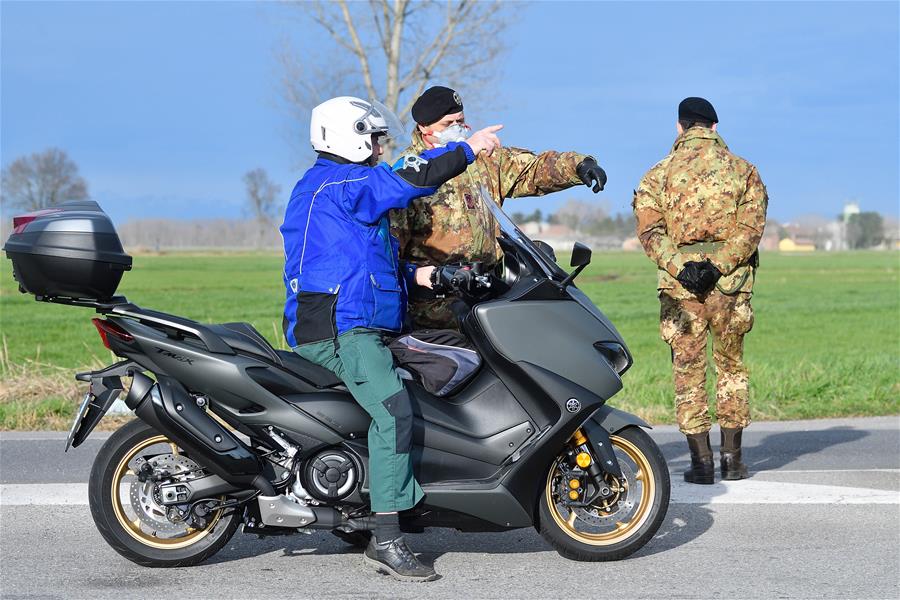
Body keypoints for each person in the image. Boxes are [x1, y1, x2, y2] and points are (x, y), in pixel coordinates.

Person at [280, 96, 502, 581]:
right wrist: (468, 150)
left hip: (352, 319)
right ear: (350, 135)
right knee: (392, 411)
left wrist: (422, 276)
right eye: (376, 137)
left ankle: (375, 502)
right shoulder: (344, 183)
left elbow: (360, 262)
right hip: (342, 329)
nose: (382, 146)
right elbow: (407, 179)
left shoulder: (337, 187)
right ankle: (387, 538)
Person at [390, 85, 608, 330]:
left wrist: (579, 166)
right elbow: (390, 250)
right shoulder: (409, 174)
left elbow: (532, 169)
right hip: (435, 310)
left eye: (460, 121)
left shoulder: (482, 159)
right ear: (424, 127)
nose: (457, 128)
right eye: (447, 124)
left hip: (489, 294)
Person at [633, 97, 767, 484]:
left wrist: (682, 268)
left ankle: (701, 464)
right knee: (731, 369)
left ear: (680, 128)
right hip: (731, 285)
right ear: (713, 127)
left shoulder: (657, 174)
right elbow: (751, 229)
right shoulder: (744, 171)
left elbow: (650, 232)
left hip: (680, 291)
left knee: (687, 372)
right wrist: (718, 266)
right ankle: (734, 461)